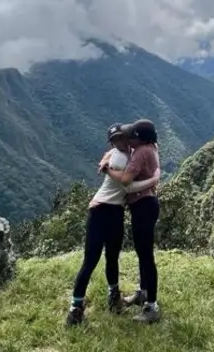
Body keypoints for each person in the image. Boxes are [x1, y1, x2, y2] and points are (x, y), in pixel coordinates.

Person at [66, 123, 160, 327]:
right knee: (91, 260)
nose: (120, 142)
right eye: (115, 140)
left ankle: (113, 297)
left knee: (112, 257)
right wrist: (153, 179)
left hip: (115, 211)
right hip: (101, 210)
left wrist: (105, 160)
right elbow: (129, 184)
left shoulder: (132, 153)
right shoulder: (120, 158)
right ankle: (76, 308)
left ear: (130, 138)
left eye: (122, 137)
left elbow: (119, 156)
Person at [105, 118, 161, 324]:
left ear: (141, 139)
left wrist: (107, 170)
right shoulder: (151, 147)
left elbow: (126, 180)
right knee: (142, 253)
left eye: (132, 136)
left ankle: (152, 307)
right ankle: (143, 292)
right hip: (148, 204)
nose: (129, 139)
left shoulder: (140, 153)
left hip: (143, 206)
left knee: (146, 256)